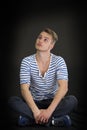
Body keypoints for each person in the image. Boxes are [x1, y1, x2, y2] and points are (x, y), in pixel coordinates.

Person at [8, 28, 78, 127]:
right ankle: (54, 121)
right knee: (13, 101)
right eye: (39, 37)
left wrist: (48, 111)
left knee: (72, 101)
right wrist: (36, 111)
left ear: (51, 45)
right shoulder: (26, 61)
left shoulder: (59, 61)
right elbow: (24, 89)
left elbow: (64, 88)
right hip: (34, 102)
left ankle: (30, 120)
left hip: (53, 102)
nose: (40, 40)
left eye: (45, 39)